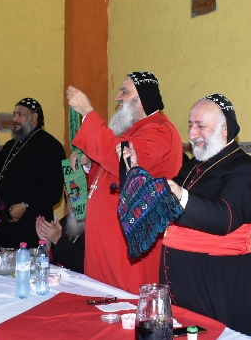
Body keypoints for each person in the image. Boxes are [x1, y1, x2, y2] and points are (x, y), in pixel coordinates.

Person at [122, 94, 251, 336]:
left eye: (200, 126)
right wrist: (134, 170)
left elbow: (225, 218)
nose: (191, 133)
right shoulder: (191, 167)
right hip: (180, 286)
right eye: (190, 124)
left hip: (218, 288)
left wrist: (180, 196)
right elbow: (162, 203)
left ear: (225, 129)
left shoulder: (246, 169)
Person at [66, 72, 183, 294]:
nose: (117, 97)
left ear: (142, 100)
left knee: (127, 306)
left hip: (127, 250)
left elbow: (124, 163)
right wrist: (89, 164)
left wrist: (88, 113)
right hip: (104, 245)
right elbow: (109, 176)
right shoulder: (130, 132)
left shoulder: (160, 131)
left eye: (124, 92)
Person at [0, 98, 65, 249]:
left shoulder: (51, 146)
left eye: (20, 114)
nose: (15, 119)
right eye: (14, 114)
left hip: (32, 226)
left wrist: (26, 205)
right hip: (6, 224)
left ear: (34, 117)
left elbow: (53, 190)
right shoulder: (11, 145)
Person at [35, 191, 85, 274]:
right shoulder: (64, 223)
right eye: (69, 199)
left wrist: (57, 239)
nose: (73, 205)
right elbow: (57, 263)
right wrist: (47, 245)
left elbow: (83, 264)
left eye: (77, 198)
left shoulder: (96, 228)